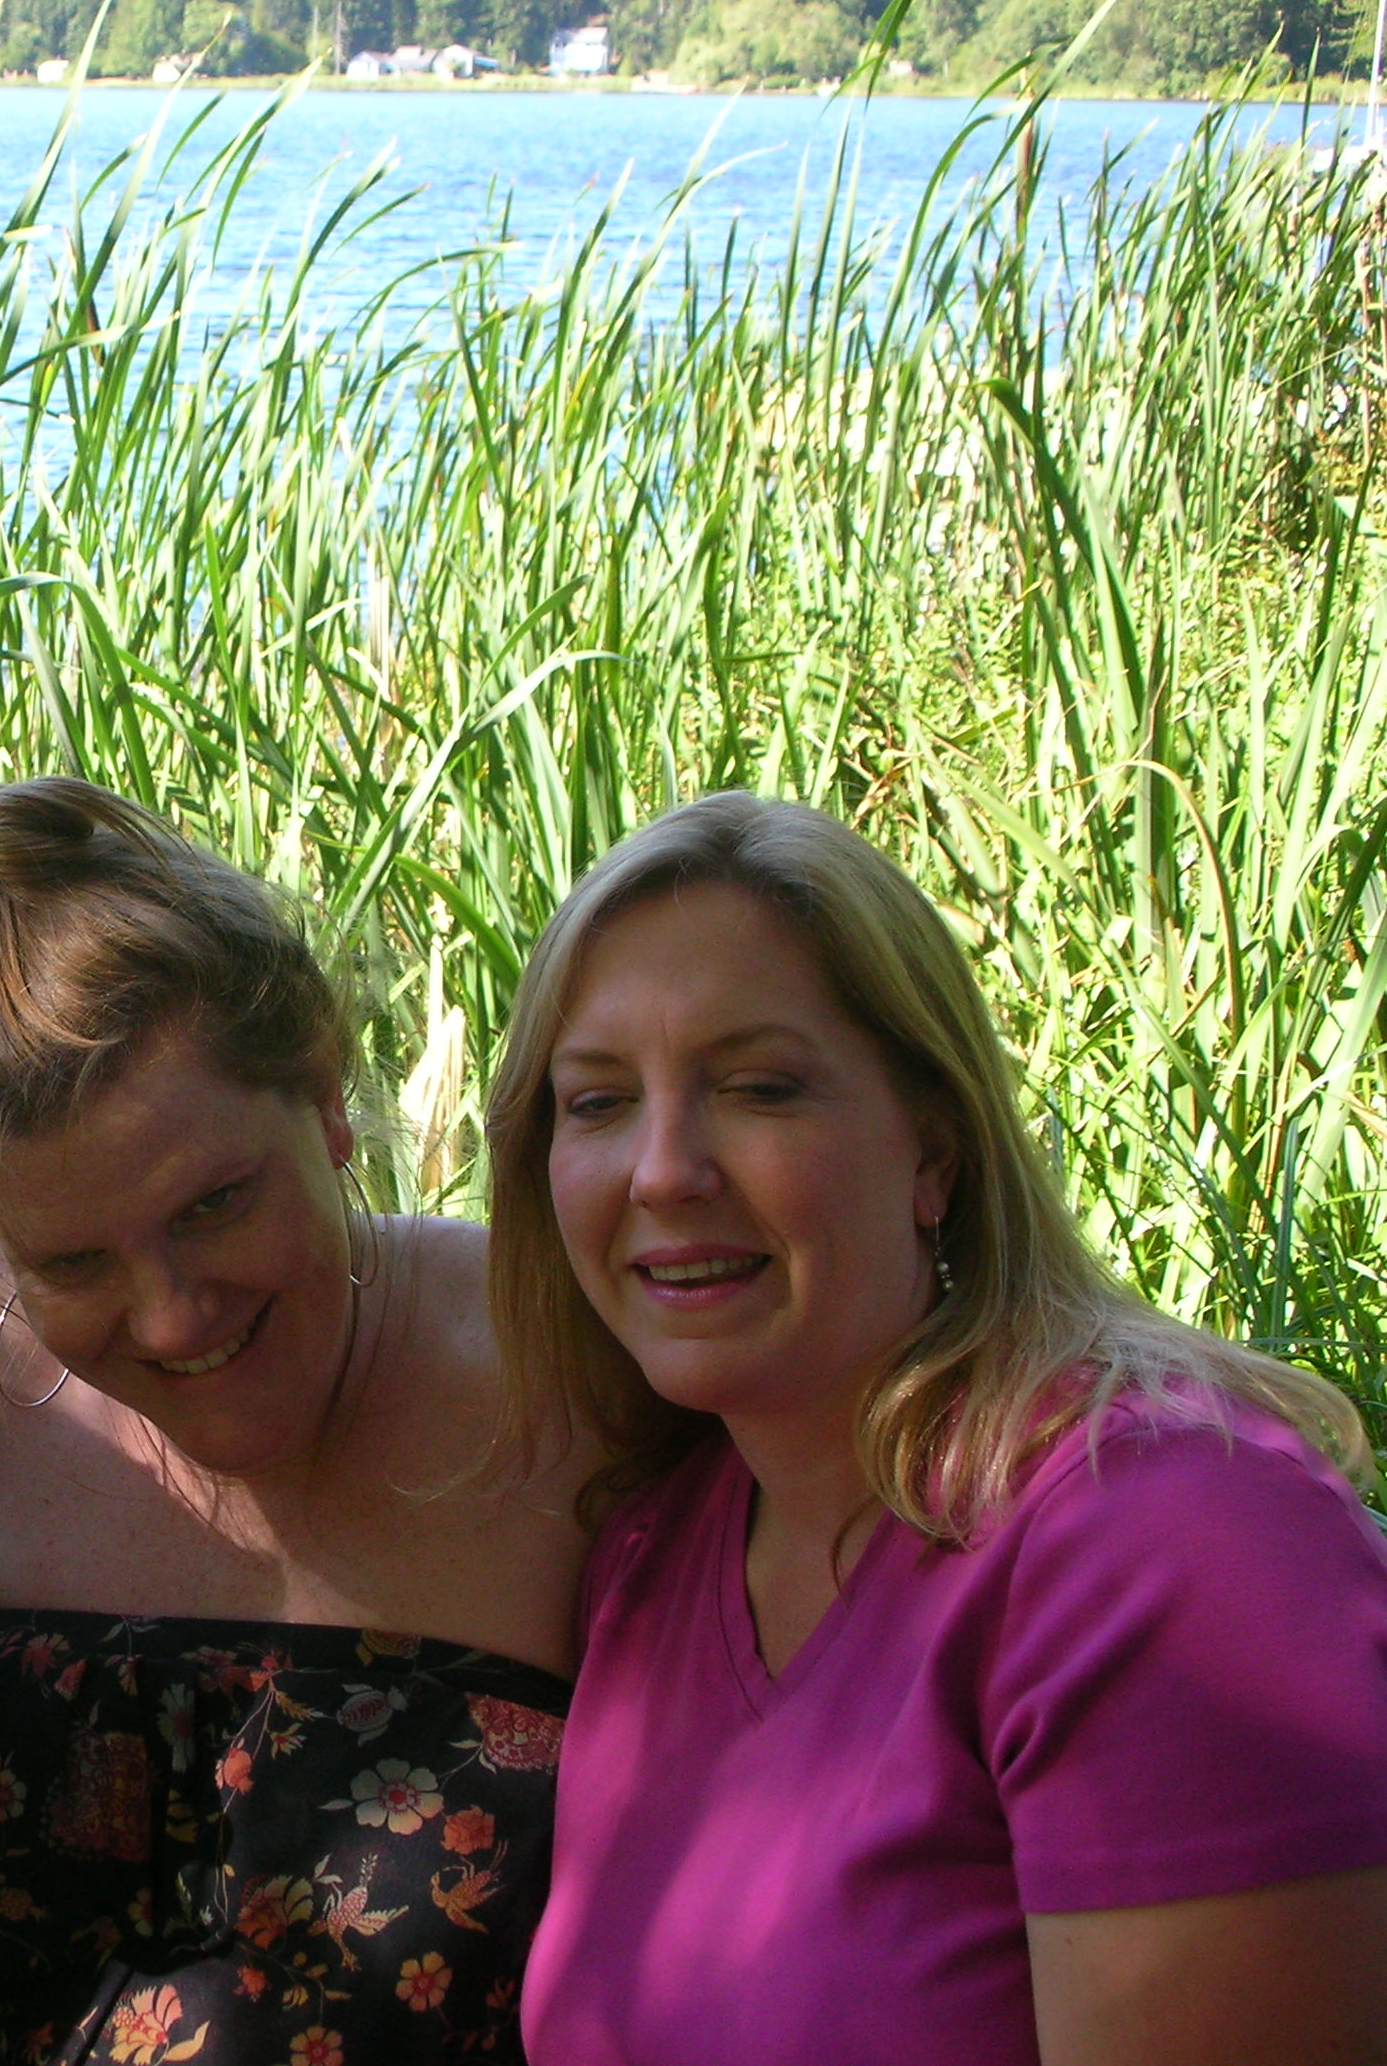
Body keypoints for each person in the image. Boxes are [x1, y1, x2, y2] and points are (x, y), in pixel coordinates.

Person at [494, 790, 1387, 2066]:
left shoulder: (1166, 1541)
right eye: (595, 1103)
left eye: (758, 1088)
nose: (661, 1170)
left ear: (933, 1151)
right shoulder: (649, 1558)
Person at [0, 778, 592, 2066]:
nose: (170, 1317)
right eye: (71, 1263)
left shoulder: (563, 1368)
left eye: (213, 1205)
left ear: (325, 1098)